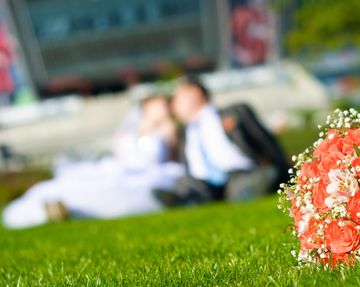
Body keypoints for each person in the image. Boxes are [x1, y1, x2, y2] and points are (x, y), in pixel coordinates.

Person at [2, 95, 185, 229]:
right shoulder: (130, 132)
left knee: (107, 194)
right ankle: (44, 210)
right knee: (67, 186)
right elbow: (123, 155)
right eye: (159, 105)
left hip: (145, 175)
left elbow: (162, 160)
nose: (164, 109)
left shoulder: (168, 130)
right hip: (122, 171)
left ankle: (63, 210)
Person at [154, 77, 288, 206]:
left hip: (238, 174)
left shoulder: (234, 113)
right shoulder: (184, 132)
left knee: (246, 183)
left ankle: (245, 191)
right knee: (186, 185)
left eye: (177, 98)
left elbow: (267, 143)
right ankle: (186, 198)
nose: (173, 105)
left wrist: (285, 172)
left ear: (194, 94)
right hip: (202, 183)